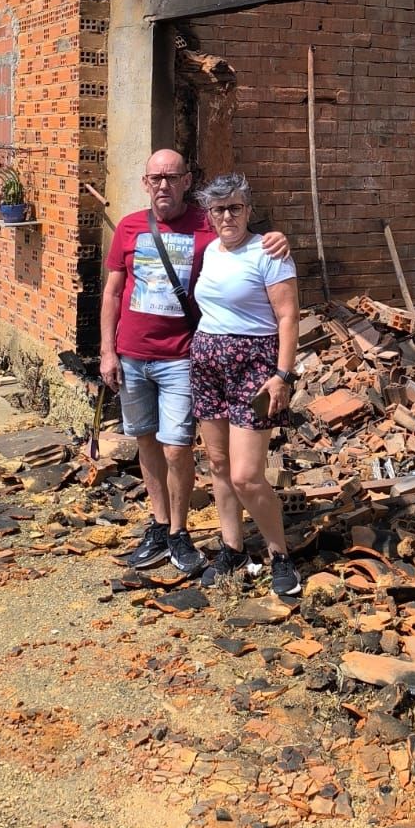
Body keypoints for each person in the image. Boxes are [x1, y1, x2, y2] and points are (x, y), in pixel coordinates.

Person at [99, 150, 288, 576]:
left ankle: (181, 531)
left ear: (187, 182)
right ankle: (161, 525)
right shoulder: (129, 227)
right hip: (132, 355)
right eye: (155, 178)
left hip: (185, 358)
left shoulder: (208, 224)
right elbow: (112, 292)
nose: (163, 184)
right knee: (146, 441)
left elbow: (244, 238)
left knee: (177, 447)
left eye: (172, 176)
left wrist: (280, 237)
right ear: (145, 183)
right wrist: (108, 351)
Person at [190, 173, 301, 600]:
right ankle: (233, 548)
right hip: (207, 365)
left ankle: (279, 554)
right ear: (210, 214)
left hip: (254, 368)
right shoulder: (209, 250)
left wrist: (283, 375)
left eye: (235, 207)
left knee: (247, 475)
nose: (227, 216)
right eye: (219, 209)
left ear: (249, 209)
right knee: (218, 466)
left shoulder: (269, 251)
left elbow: (289, 317)